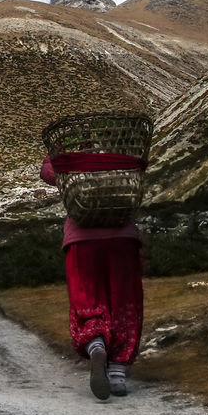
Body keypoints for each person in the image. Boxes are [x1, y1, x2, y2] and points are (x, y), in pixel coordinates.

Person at [41, 156, 144, 400]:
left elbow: (47, 173)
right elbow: (141, 168)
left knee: (86, 298)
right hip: (123, 236)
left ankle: (96, 343)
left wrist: (58, 156)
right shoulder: (122, 149)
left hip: (81, 238)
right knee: (125, 300)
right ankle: (118, 372)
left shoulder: (70, 154)